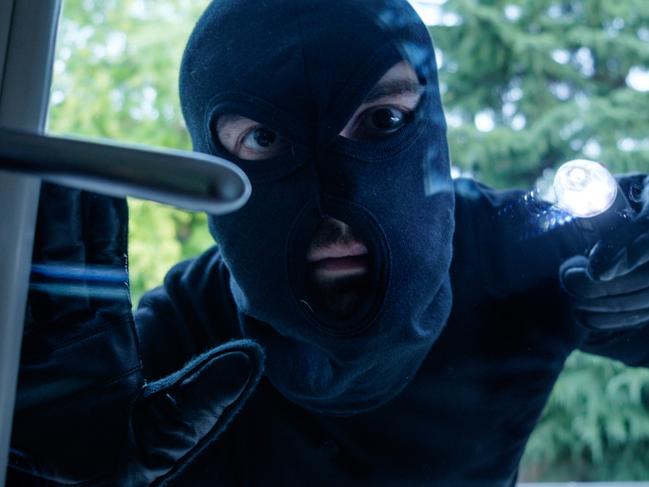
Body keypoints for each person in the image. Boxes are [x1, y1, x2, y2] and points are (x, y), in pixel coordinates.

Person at [8, 0, 649, 485]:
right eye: (264, 139)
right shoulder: (173, 345)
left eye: (383, 120)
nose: (334, 201)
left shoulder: (514, 254)